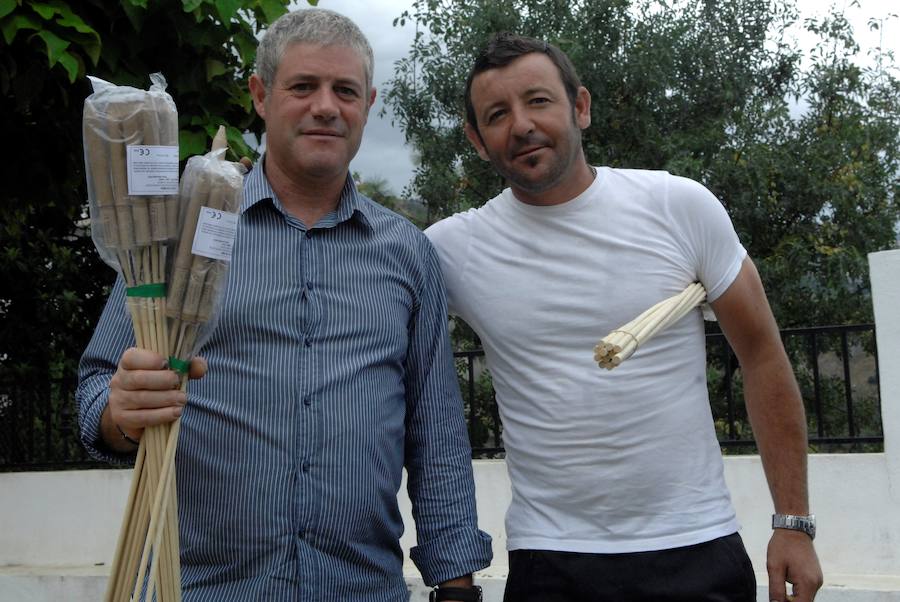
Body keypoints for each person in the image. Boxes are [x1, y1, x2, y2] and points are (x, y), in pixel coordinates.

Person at [76, 9, 491, 602]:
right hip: (197, 589)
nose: (326, 106)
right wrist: (119, 413)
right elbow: (95, 390)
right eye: (303, 86)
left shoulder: (407, 255)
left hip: (361, 591)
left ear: (367, 104)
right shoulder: (179, 234)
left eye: (344, 90)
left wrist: (455, 586)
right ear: (262, 96)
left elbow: (437, 435)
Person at [425, 32, 823, 602]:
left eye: (538, 101)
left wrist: (794, 522)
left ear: (580, 106)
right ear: (477, 141)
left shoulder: (679, 207)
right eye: (497, 114)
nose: (521, 125)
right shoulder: (451, 250)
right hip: (550, 560)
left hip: (697, 547)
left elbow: (762, 355)